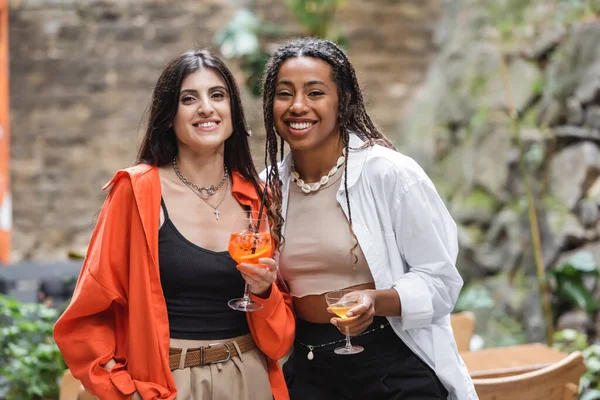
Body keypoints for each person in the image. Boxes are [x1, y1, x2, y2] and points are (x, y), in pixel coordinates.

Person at [54, 49, 294, 400]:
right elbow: (87, 313)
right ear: (169, 117)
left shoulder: (257, 198)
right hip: (166, 384)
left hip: (249, 378)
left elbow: (280, 339)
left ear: (232, 112)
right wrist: (122, 389)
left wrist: (262, 292)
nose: (206, 108)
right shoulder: (136, 192)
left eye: (217, 95)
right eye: (188, 98)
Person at [260, 38, 478, 400]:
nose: (298, 106)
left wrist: (376, 301)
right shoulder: (269, 186)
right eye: (285, 93)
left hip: (392, 366)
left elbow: (441, 282)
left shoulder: (389, 173)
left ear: (342, 100)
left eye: (315, 93)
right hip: (310, 370)